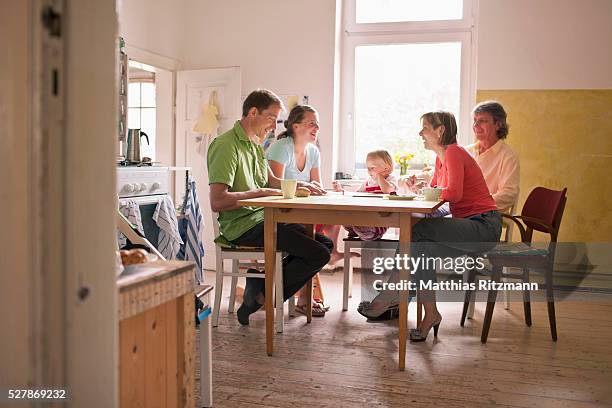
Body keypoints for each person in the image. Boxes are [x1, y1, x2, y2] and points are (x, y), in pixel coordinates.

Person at [207, 89, 333, 325]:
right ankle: (265, 296)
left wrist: (303, 186)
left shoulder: (255, 145)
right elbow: (218, 201)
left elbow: (272, 182)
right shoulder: (226, 145)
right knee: (317, 252)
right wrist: (261, 193)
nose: (274, 126)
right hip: (242, 226)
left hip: (263, 219)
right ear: (253, 112)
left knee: (324, 243)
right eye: (272, 118)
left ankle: (260, 290)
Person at [265, 104, 331, 317]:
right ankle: (299, 297)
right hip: (278, 217)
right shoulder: (282, 147)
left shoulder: (313, 151)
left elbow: (317, 186)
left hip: (303, 215)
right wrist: (304, 187)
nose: (316, 127)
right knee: (315, 243)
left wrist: (316, 189)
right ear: (295, 125)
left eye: (317, 124)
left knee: (320, 239)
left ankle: (298, 296)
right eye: (311, 123)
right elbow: (273, 186)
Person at [333, 150, 398, 240]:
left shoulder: (391, 179)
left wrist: (380, 177)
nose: (368, 171)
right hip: (366, 217)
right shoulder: (368, 182)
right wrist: (341, 191)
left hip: (380, 221)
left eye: (372, 168)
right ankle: (356, 230)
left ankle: (368, 232)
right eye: (367, 168)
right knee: (345, 219)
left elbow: (387, 190)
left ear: (386, 168)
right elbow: (355, 195)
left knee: (361, 225)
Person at [468, 101, 520, 212]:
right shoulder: (467, 152)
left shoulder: (508, 156)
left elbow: (508, 194)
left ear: (498, 125)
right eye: (475, 120)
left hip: (486, 216)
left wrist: (477, 205)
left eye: (482, 121)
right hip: (462, 212)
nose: (476, 125)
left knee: (430, 226)